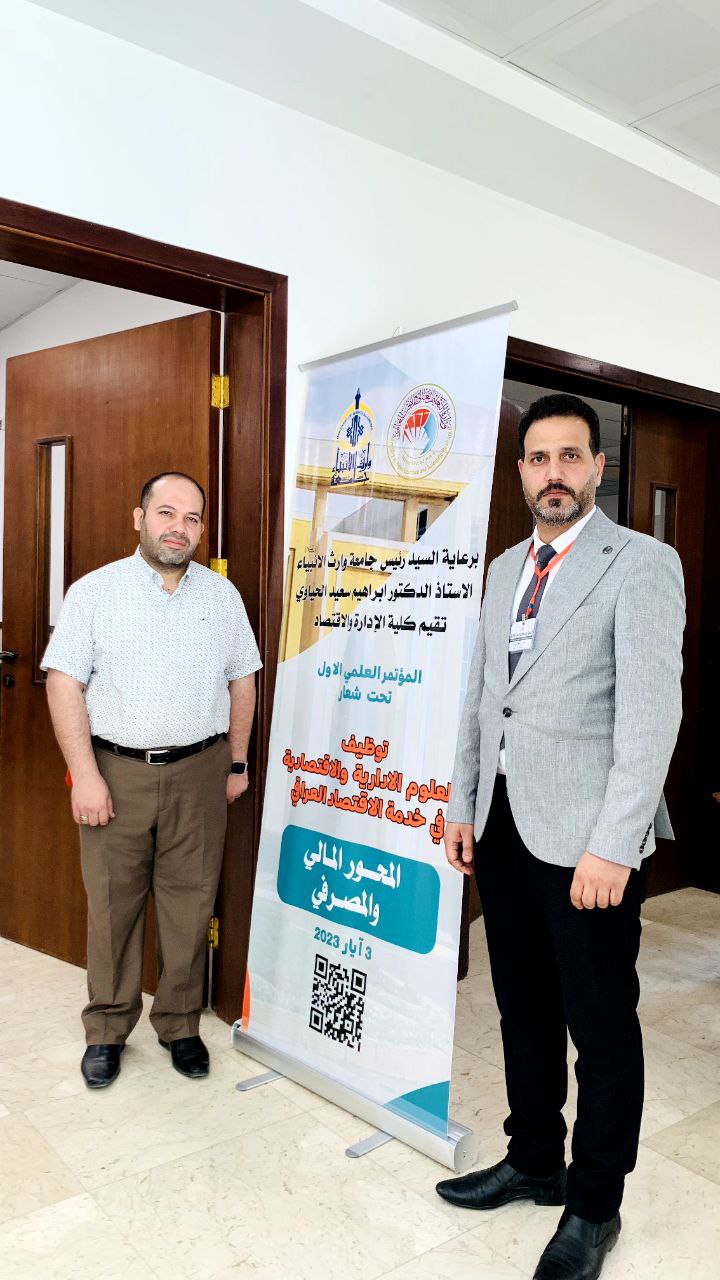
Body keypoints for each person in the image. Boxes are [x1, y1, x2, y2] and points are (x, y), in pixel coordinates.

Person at [436, 395, 685, 1280]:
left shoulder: (642, 563)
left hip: (589, 842)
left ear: (597, 468)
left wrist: (615, 844)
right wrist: (462, 802)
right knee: (523, 1008)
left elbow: (651, 719)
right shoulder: (506, 567)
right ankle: (535, 1158)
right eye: (539, 458)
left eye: (570, 457)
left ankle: (594, 1205)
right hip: (504, 828)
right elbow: (483, 698)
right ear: (520, 472)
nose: (554, 474)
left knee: (601, 1024)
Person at [43, 472, 261, 1089]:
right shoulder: (95, 592)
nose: (179, 528)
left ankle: (179, 1023)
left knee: (191, 903)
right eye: (166, 513)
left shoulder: (222, 597)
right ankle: (108, 1028)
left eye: (191, 518)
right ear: (139, 518)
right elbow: (63, 682)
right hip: (115, 772)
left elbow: (243, 679)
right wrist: (86, 776)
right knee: (112, 906)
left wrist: (237, 762)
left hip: (201, 771)